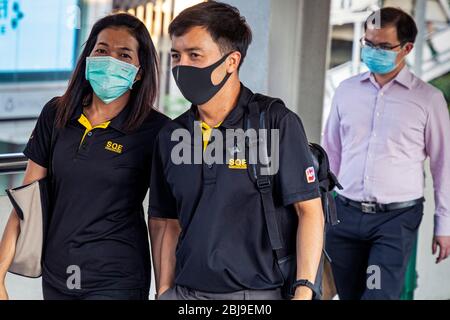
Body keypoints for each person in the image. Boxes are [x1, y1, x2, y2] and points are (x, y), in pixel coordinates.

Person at [149, 1, 324, 301]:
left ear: (231, 61)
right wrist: (165, 292)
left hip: (255, 296)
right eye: (176, 56)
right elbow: (165, 221)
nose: (181, 67)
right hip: (186, 295)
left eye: (195, 55)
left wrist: (304, 291)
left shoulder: (276, 123)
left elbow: (309, 212)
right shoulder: (171, 135)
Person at [0, 13, 169, 300]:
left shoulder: (156, 130)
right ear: (89, 57)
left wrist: (166, 291)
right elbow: (27, 200)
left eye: (124, 54)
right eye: (102, 50)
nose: (110, 60)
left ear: (139, 72)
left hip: (116, 278)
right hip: (57, 272)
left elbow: (164, 221)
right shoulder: (56, 113)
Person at [322, 7, 450, 300]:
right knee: (345, 293)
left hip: (394, 221)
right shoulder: (346, 91)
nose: (372, 51)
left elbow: (444, 166)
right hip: (345, 214)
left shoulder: (428, 100)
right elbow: (332, 153)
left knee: (378, 295)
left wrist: (444, 225)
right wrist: (321, 208)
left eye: (382, 46)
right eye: (368, 44)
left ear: (407, 48)